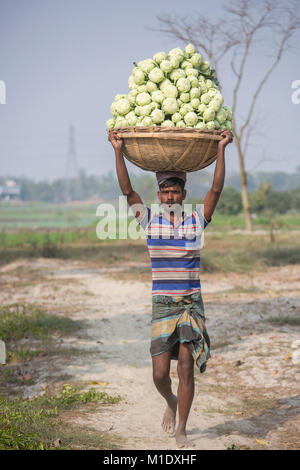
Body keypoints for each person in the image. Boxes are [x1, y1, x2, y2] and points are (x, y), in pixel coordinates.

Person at [108, 128, 233, 448]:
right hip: (163, 305)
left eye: (175, 191)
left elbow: (217, 188)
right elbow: (127, 190)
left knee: (187, 367)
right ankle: (171, 401)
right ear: (159, 195)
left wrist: (221, 148)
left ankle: (182, 429)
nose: (170, 197)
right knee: (160, 374)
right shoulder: (149, 221)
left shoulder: (196, 221)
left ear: (184, 193)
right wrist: (117, 150)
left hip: (190, 304)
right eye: (165, 192)